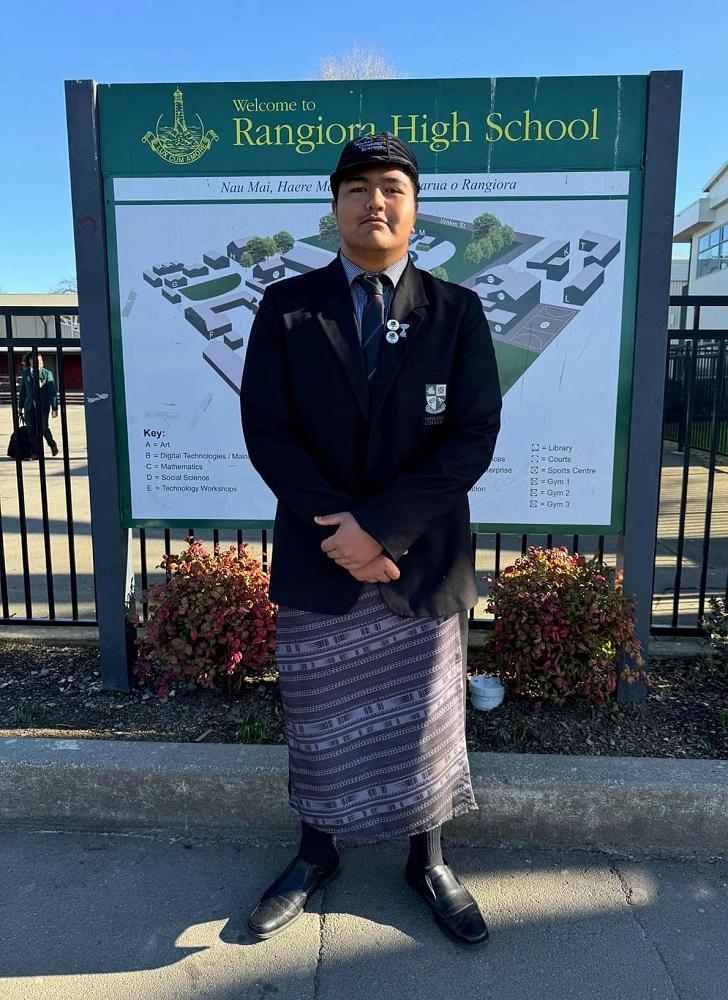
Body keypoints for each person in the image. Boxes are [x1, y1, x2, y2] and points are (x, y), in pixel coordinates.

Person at [240, 133, 502, 945]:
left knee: (426, 722)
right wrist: (344, 534)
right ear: (335, 207)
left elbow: (472, 435)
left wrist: (382, 531)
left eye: (392, 187)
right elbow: (268, 430)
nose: (374, 202)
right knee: (319, 718)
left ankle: (428, 859)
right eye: (357, 188)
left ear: (415, 208)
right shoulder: (287, 307)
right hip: (321, 556)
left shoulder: (456, 311)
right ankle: (316, 851)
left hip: (418, 559)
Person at [18, 353, 59, 459]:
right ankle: (36, 453)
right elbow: (23, 391)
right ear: (30, 361)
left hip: (43, 406)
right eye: (37, 360)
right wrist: (20, 407)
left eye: (41, 360)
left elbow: (52, 392)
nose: (40, 362)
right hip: (29, 406)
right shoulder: (26, 373)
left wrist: (54, 407)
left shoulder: (47, 374)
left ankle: (52, 443)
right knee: (31, 430)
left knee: (43, 428)